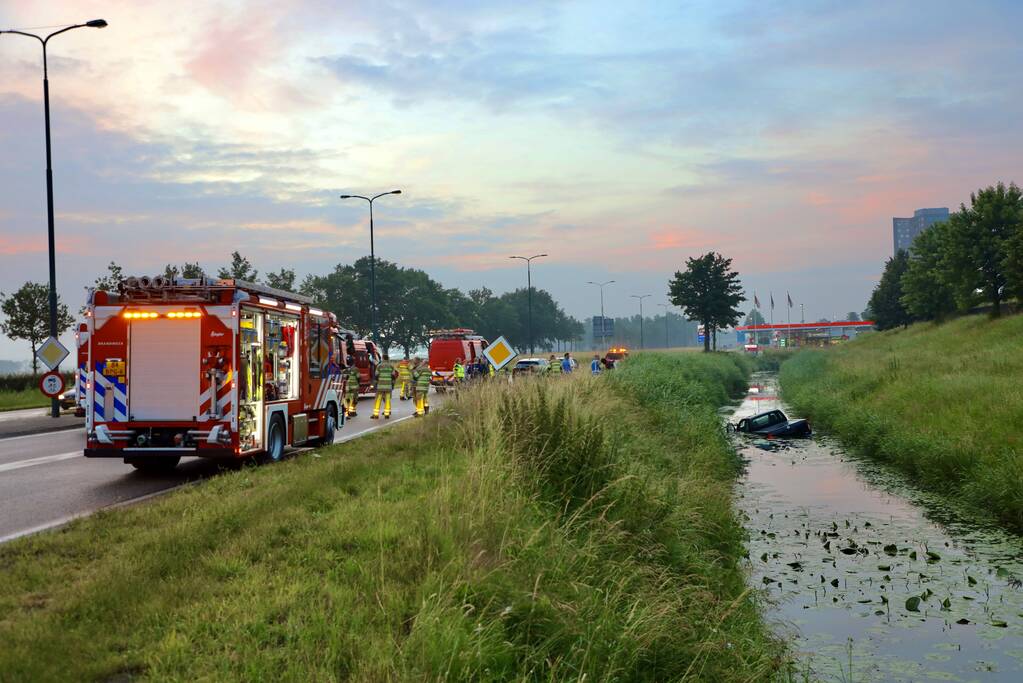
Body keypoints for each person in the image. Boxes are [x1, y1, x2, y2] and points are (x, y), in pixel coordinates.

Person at [371, 354, 398, 419]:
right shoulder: (391, 366)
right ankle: (387, 414)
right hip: (388, 386)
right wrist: (392, 385)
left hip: (380, 386)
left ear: (382, 358)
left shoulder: (379, 366)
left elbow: (376, 375)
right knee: (387, 400)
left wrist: (375, 384)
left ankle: (376, 415)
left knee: (378, 400)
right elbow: (394, 376)